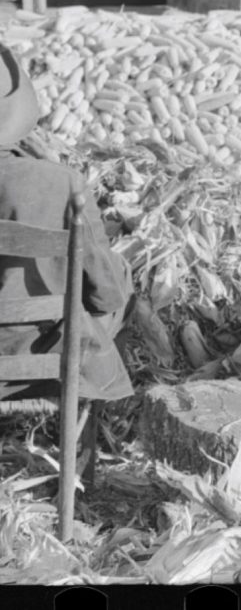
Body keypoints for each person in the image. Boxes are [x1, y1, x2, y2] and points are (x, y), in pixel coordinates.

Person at [0, 43, 134, 403]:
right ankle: (91, 410)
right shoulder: (62, 184)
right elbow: (106, 295)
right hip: (39, 360)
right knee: (120, 282)